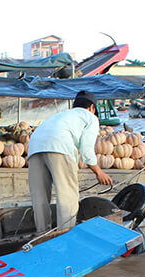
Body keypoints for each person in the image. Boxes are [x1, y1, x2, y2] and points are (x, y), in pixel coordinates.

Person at [27, 90, 113, 232]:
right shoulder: (90, 117)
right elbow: (86, 149)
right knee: (67, 196)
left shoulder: (63, 114)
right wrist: (99, 172)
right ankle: (65, 235)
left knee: (39, 197)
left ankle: (41, 234)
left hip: (35, 147)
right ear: (92, 107)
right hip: (59, 146)